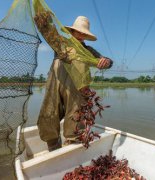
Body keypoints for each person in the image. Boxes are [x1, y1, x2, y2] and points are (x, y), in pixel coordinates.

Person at [37, 16, 113, 151]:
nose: (81, 35)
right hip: (56, 84)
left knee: (76, 117)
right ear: (72, 32)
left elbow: (107, 62)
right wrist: (44, 23)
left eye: (84, 33)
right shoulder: (60, 44)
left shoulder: (88, 51)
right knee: (49, 114)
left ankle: (72, 147)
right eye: (78, 31)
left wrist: (106, 61)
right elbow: (48, 33)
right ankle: (53, 147)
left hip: (78, 90)